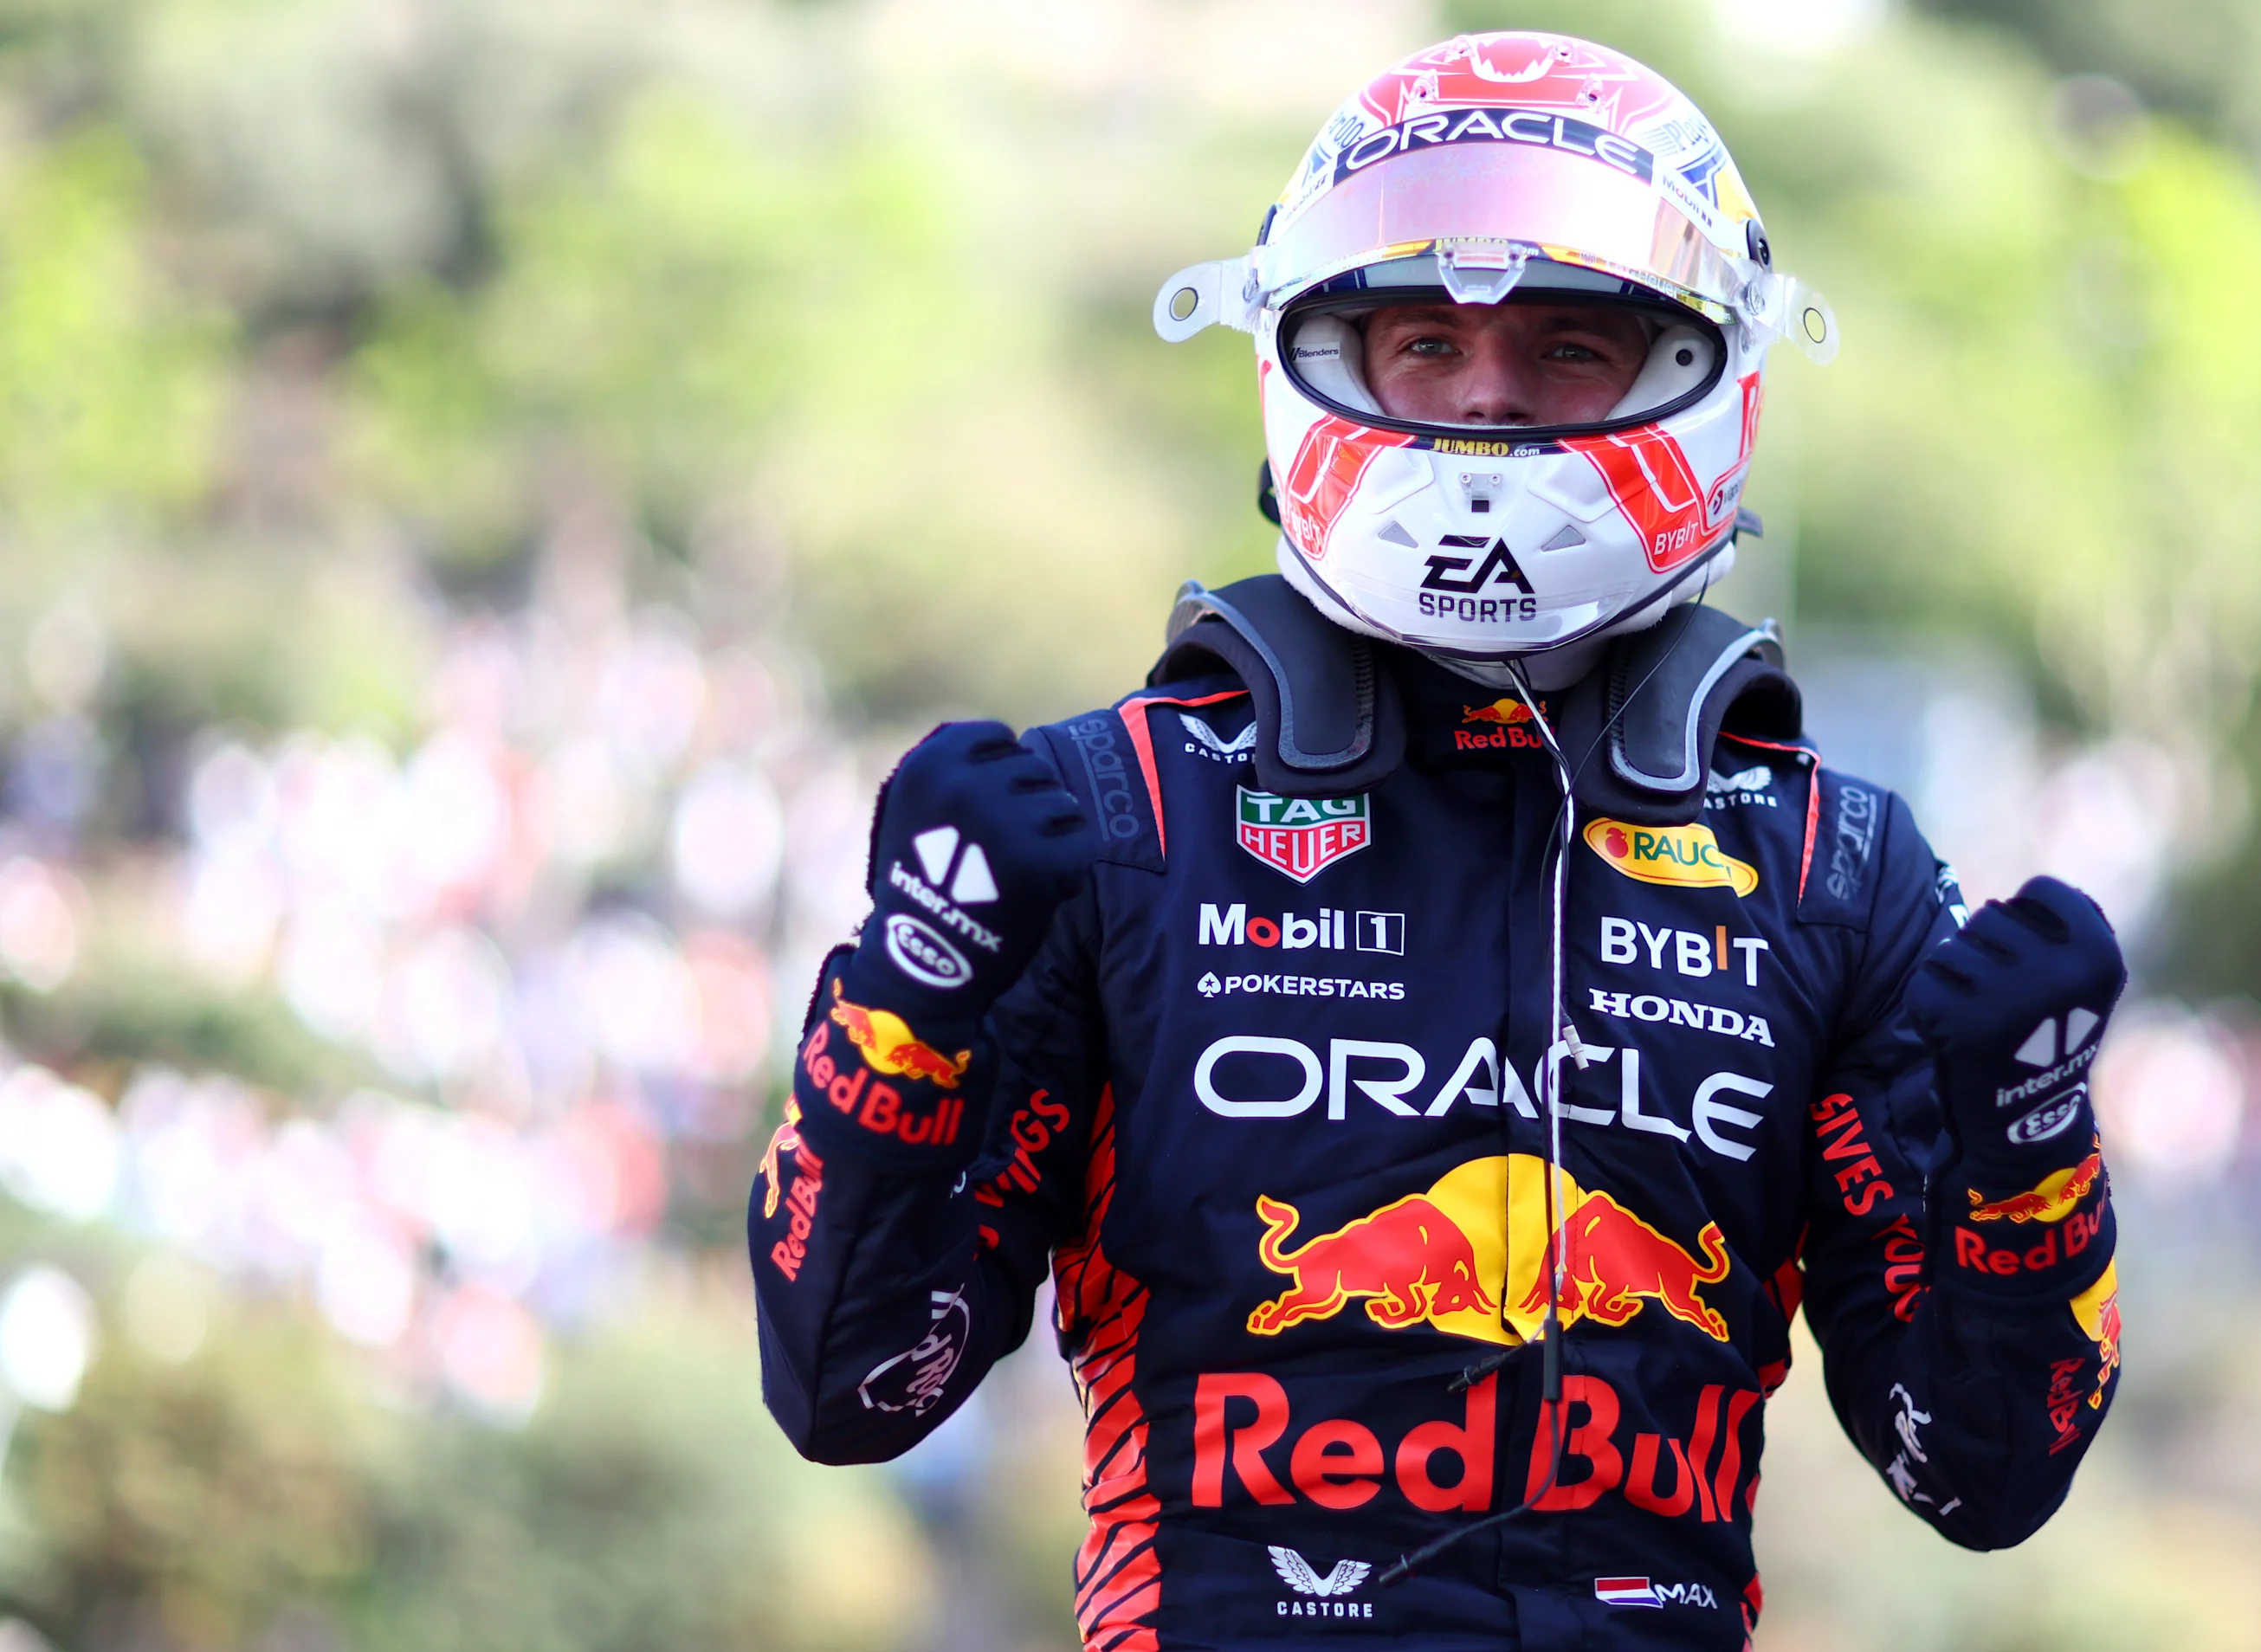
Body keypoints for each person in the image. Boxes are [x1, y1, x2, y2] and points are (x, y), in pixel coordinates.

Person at [751, 31, 2125, 1649]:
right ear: (1308, 358)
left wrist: (2028, 1159)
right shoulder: (1108, 822)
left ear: (1711, 379)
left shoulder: (1837, 867)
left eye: (1567, 347)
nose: (1483, 390)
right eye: (1420, 338)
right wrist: (903, 1006)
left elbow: (1986, 1477)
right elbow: (850, 1389)